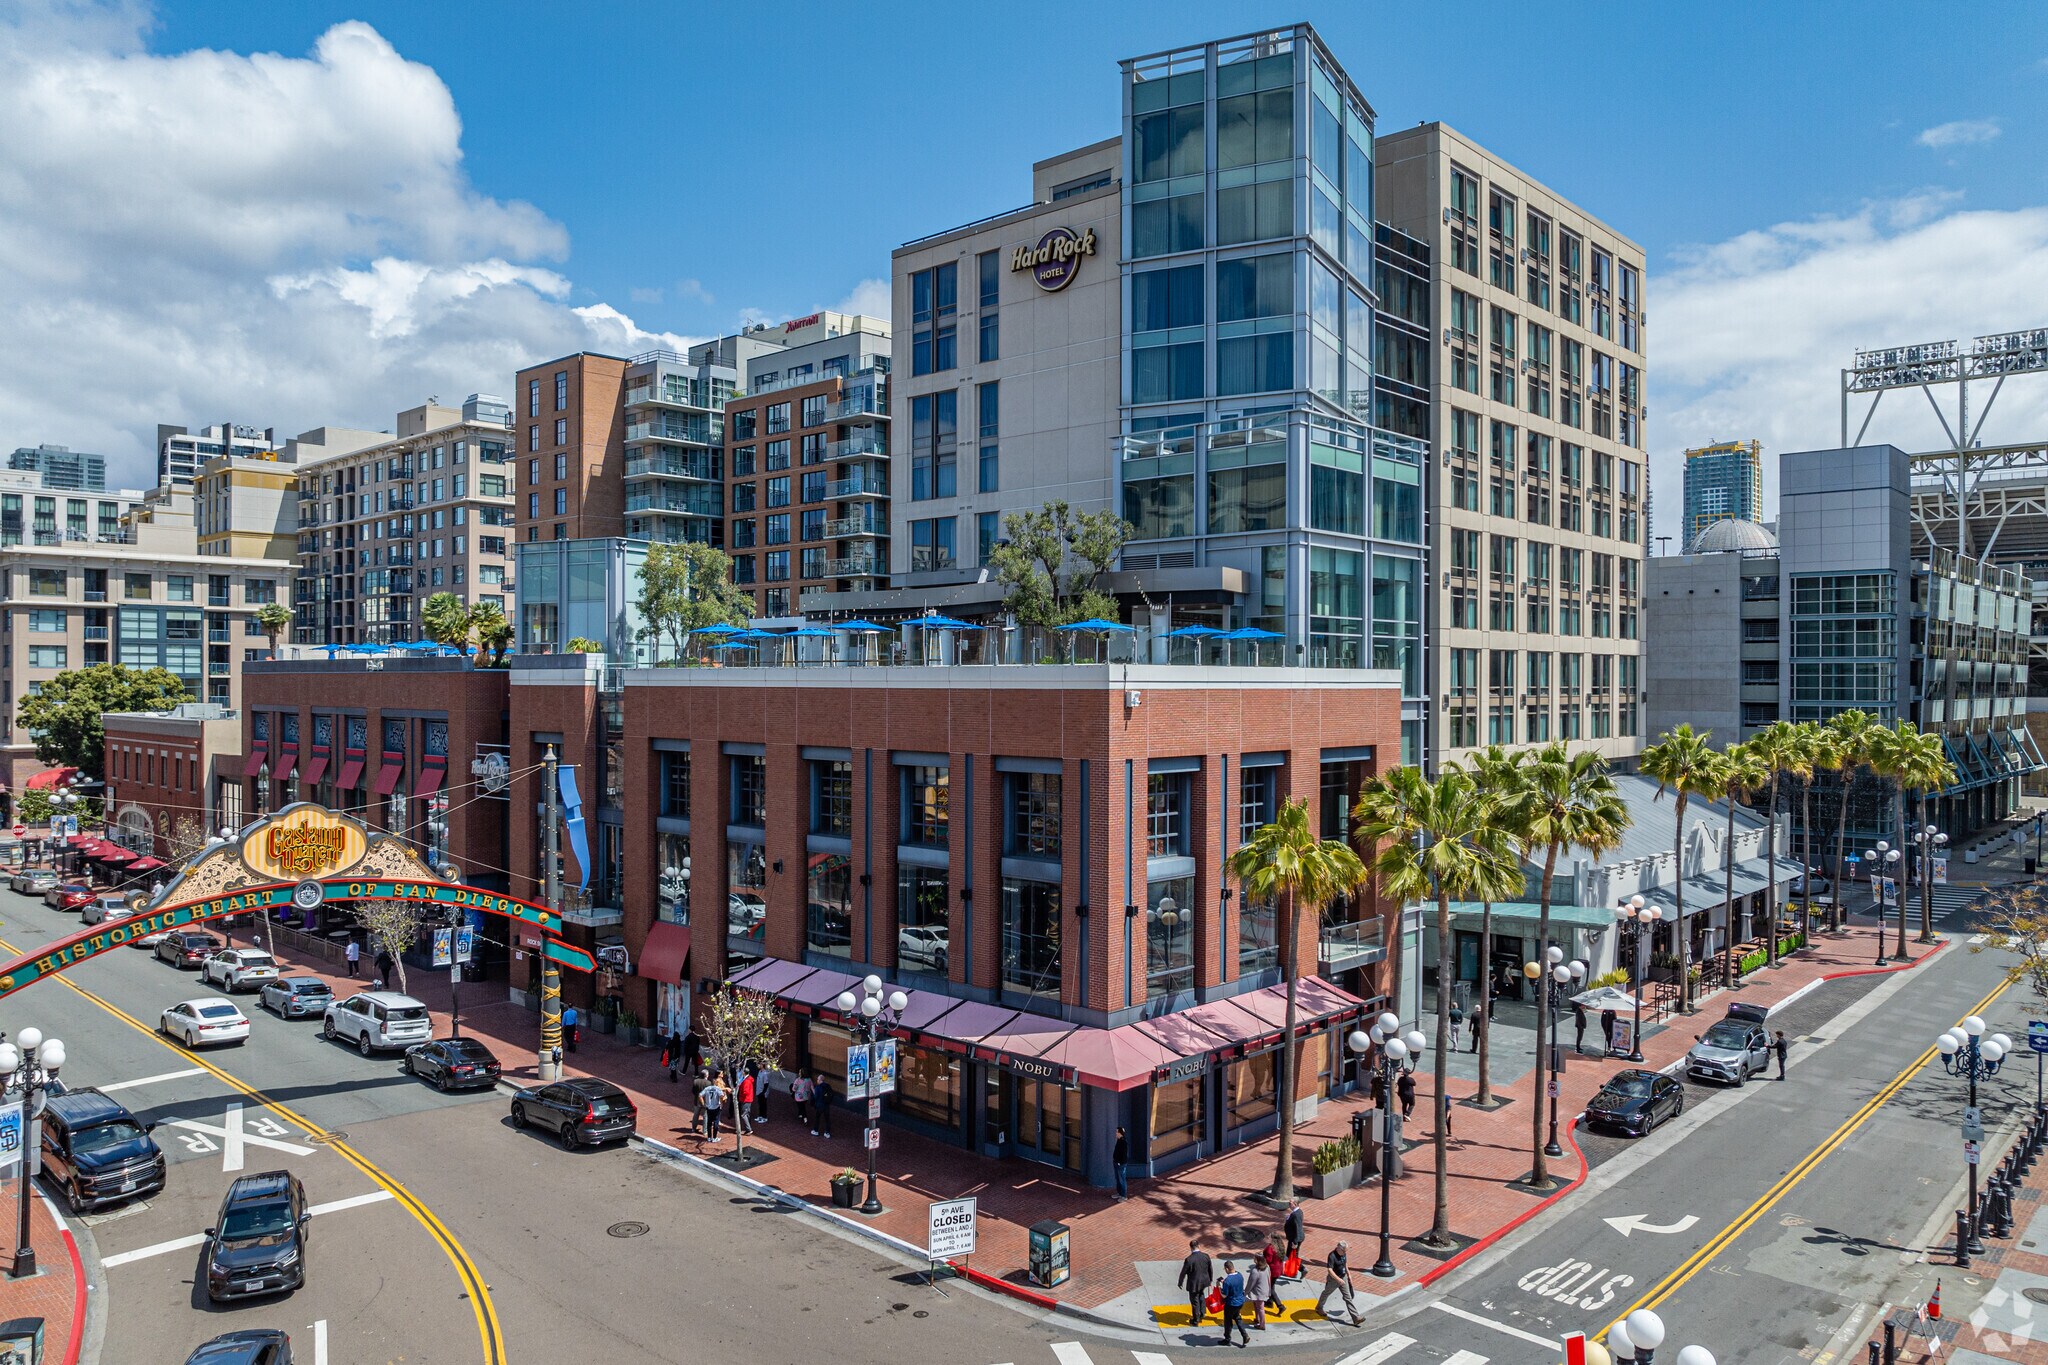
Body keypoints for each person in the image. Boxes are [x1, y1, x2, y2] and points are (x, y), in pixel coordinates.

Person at [1314, 1240, 1360, 1326]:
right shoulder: (1332, 1256)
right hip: (1334, 1280)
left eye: (1346, 1251)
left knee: (1348, 1297)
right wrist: (1338, 1279)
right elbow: (1329, 1270)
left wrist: (1349, 1274)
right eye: (1344, 1251)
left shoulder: (1343, 1254)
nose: (1345, 1253)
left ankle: (1356, 1317)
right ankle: (1319, 1307)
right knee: (1326, 1293)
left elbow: (1345, 1264)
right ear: (1339, 1248)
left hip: (1343, 1278)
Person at [1177, 1240, 1214, 1328]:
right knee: (1201, 1294)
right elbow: (1210, 1269)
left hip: (1194, 1283)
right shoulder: (1206, 1256)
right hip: (1204, 1281)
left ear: (1190, 1247)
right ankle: (1202, 1312)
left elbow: (1183, 1272)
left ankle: (1196, 1319)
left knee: (1194, 1301)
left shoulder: (1189, 1259)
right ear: (1199, 1245)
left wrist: (1180, 1282)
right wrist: (1210, 1279)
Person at [1219, 1260, 1249, 1347]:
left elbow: (1224, 1295)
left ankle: (1227, 1339)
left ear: (1227, 1269)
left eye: (1225, 1269)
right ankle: (1244, 1335)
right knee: (1237, 1318)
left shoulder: (1227, 1281)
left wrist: (1219, 1288)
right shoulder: (1239, 1275)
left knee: (1228, 1321)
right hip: (1240, 1302)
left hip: (1231, 1304)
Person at [1245, 1253, 1272, 1331]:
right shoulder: (1267, 1267)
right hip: (1264, 1290)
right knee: (1257, 1306)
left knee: (1260, 1308)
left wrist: (1245, 1292)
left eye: (1255, 1258)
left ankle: (1262, 1324)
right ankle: (1257, 1319)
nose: (1253, 1259)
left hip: (1258, 1293)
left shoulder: (1255, 1271)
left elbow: (1251, 1283)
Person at [701, 1071, 728, 1142]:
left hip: (709, 1107)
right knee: (716, 1122)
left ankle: (709, 1137)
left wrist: (704, 1103)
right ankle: (715, 1137)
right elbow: (722, 1095)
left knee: (709, 1122)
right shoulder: (717, 1089)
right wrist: (723, 1098)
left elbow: (700, 1095)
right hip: (716, 1107)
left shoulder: (707, 1089)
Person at [1260, 1238, 1284, 1311]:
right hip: (1278, 1269)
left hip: (1272, 1271)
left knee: (1270, 1289)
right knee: (1272, 1286)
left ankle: (1280, 1305)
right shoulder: (1280, 1246)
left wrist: (1262, 1257)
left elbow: (1268, 1260)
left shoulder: (1270, 1248)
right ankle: (1270, 1302)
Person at [1112, 1126, 1130, 1201]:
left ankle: (1124, 1196)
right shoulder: (1119, 1140)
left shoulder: (1123, 1142)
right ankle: (1119, 1193)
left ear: (1120, 1133)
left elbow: (1124, 1155)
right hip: (1116, 1162)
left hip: (1121, 1164)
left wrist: (1120, 1162)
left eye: (1117, 1132)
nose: (1116, 1133)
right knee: (1118, 1179)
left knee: (1122, 1179)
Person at [735, 1068, 756, 1135]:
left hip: (745, 1099)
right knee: (747, 1114)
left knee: (743, 1115)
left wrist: (740, 1089)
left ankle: (748, 1129)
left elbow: (745, 1091)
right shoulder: (749, 1079)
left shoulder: (746, 1081)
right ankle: (747, 1128)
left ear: (744, 1072)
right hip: (748, 1099)